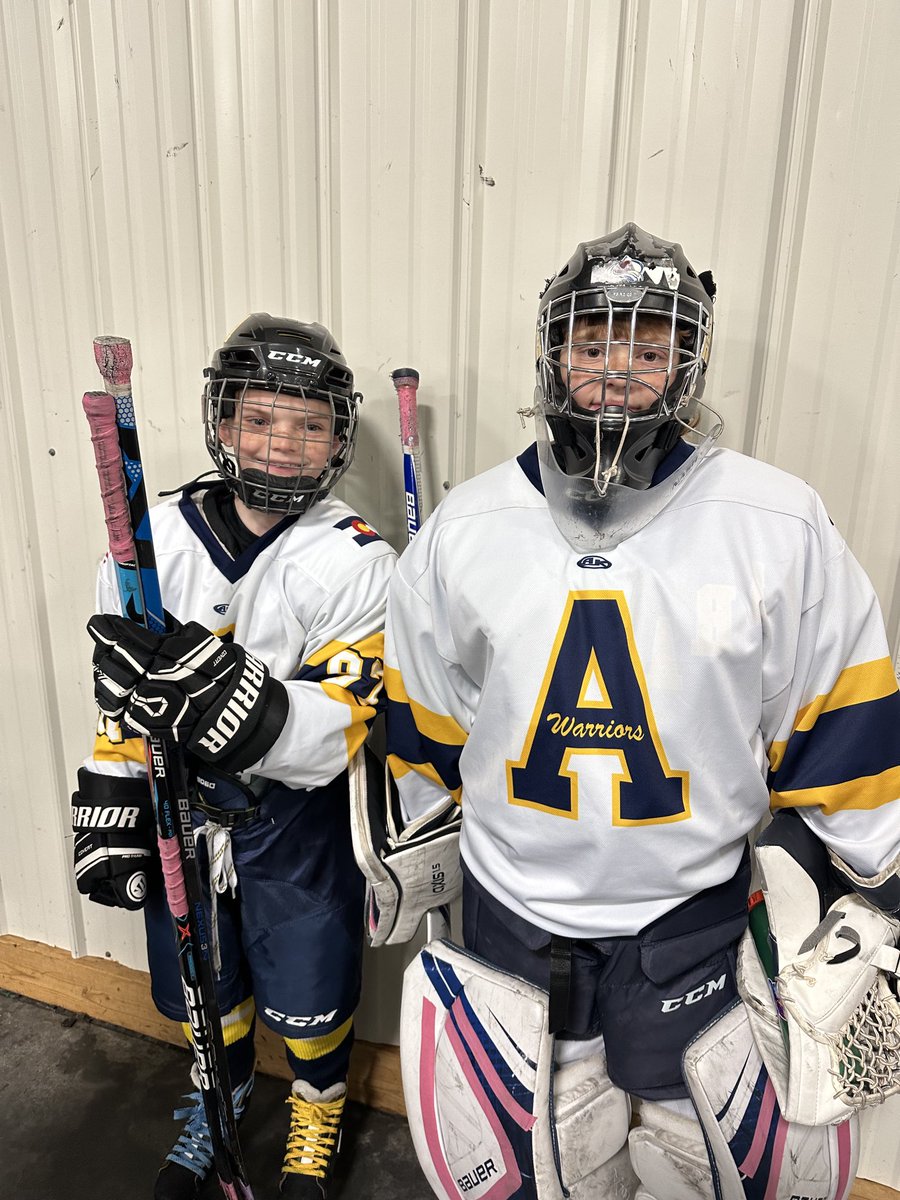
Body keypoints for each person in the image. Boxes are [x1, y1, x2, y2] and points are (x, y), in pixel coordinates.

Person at [382, 225, 900, 1198]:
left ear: (688, 362)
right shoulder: (467, 527)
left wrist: (885, 866)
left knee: (697, 1167)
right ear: (553, 353)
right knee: (549, 1165)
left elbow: (840, 713)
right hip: (513, 926)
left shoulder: (777, 522)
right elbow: (428, 740)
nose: (618, 370)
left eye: (648, 347)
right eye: (594, 342)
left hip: (693, 921)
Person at [72, 314, 396, 1198]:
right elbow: (121, 692)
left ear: (338, 437)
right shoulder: (151, 535)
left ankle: (318, 1105)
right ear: (221, 422)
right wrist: (112, 792)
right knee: (200, 976)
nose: (283, 443)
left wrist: (240, 713)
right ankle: (222, 1089)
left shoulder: (357, 560)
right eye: (259, 419)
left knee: (311, 976)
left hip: (292, 816)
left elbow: (343, 721)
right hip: (178, 805)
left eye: (309, 424)